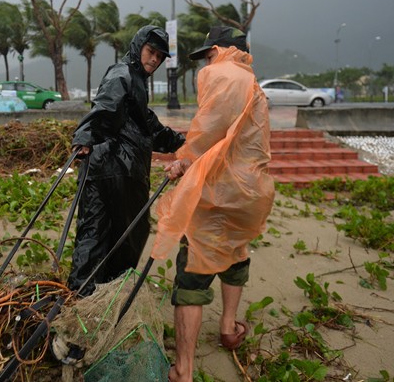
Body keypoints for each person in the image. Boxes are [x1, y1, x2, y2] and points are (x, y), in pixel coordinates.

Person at [151, 26, 275, 382]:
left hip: (215, 192)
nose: (206, 60)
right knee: (236, 252)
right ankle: (228, 327)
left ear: (221, 49)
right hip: (250, 193)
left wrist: (183, 161)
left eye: (208, 52)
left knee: (194, 273)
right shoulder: (254, 85)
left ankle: (184, 369)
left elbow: (208, 130)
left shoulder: (220, 73)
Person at [67, 25, 186, 297]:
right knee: (126, 236)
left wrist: (182, 144)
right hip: (120, 170)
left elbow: (148, 126)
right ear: (138, 47)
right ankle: (104, 296)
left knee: (95, 233)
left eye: (159, 56)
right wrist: (86, 134)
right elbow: (106, 107)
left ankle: (82, 296)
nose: (154, 59)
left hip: (102, 169)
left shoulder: (135, 82)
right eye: (150, 52)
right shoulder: (123, 73)